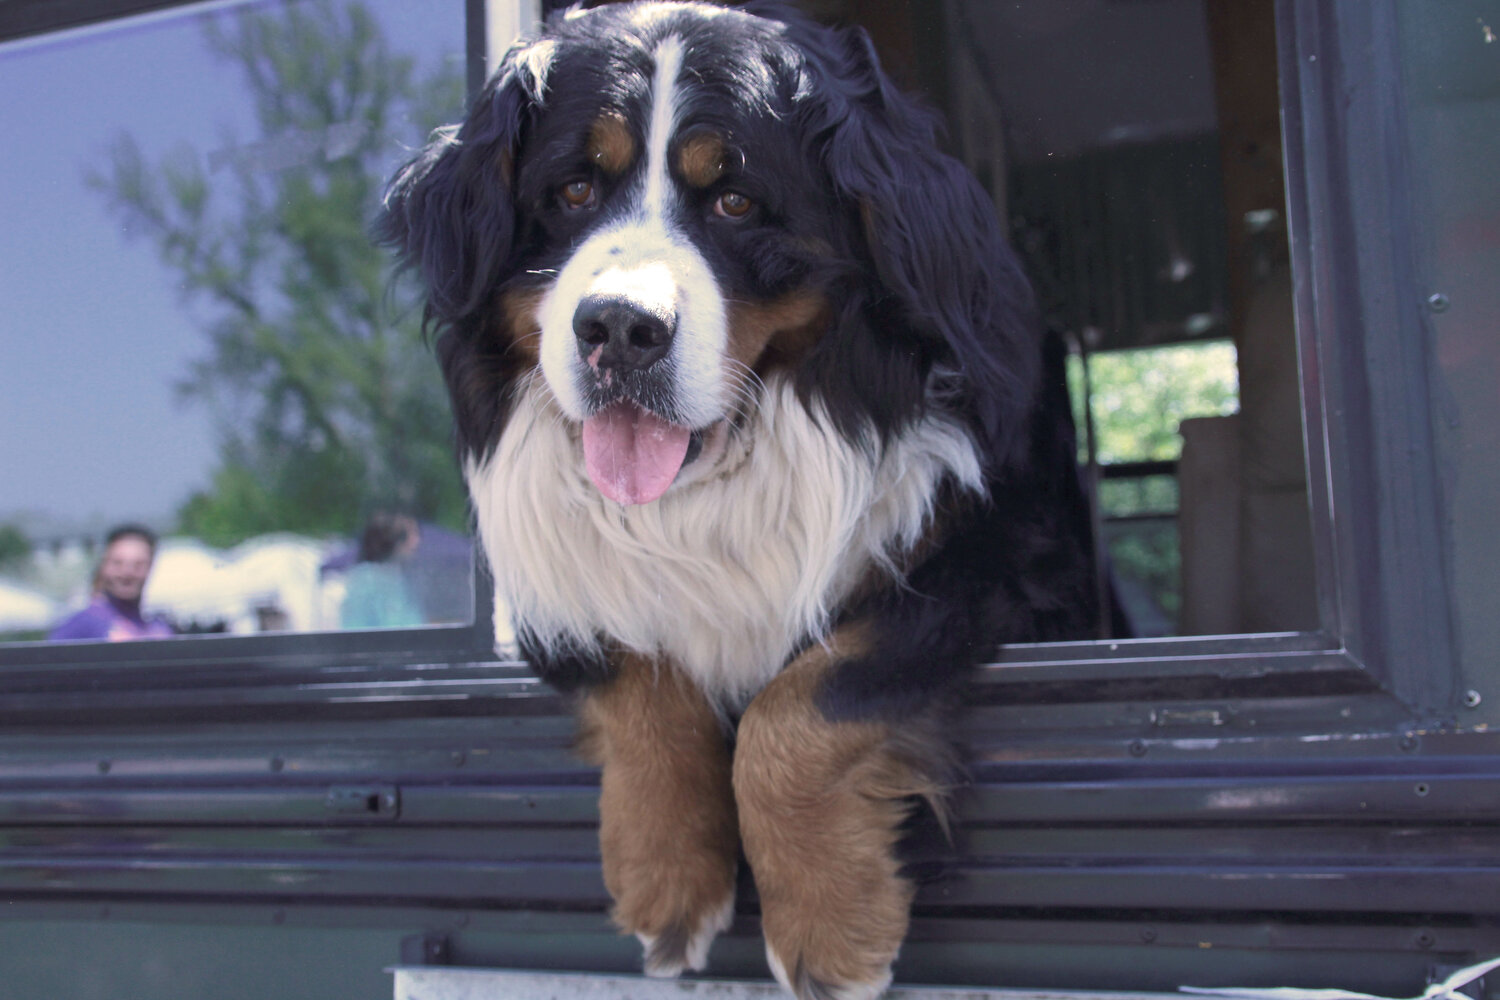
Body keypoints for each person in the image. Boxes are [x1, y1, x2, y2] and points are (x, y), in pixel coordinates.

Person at [49, 524, 174, 641]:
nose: (127, 573)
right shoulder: (82, 625)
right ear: (103, 566)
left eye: (138, 565)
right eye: (118, 563)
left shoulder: (160, 629)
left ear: (151, 567)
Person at [340, 513, 424, 628]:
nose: (416, 541)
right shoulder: (366, 579)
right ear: (394, 540)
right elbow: (356, 628)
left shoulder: (397, 577)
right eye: (411, 535)